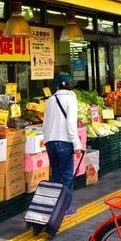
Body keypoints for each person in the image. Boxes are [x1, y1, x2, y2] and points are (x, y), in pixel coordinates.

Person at [42, 72, 84, 216]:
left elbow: (45, 123)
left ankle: (50, 206)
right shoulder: (71, 100)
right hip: (64, 142)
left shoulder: (50, 99)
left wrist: (48, 140)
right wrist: (77, 145)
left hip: (50, 142)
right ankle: (64, 208)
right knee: (67, 176)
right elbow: (71, 124)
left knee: (55, 175)